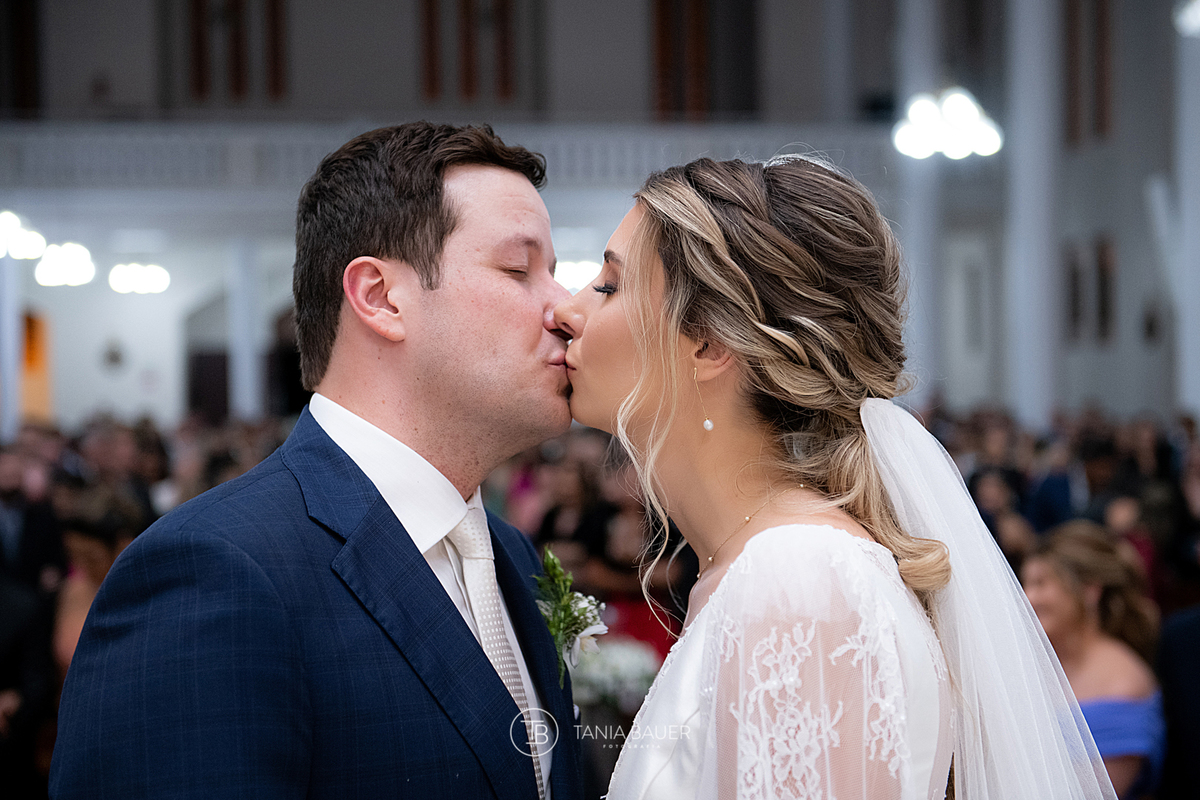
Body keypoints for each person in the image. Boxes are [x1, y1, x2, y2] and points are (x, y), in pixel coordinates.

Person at [553, 154, 1115, 799]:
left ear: (708, 343)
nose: (567, 311)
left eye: (608, 285)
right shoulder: (760, 571)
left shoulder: (798, 583)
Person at [51, 122, 582, 800]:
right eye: (518, 270)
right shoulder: (215, 573)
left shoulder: (513, 555)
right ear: (381, 297)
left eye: (556, 275)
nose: (565, 308)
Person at [1021, 522, 1165, 799]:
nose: (1029, 598)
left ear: (1089, 589)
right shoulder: (1036, 667)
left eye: (1041, 583)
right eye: (1025, 584)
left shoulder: (1122, 685)